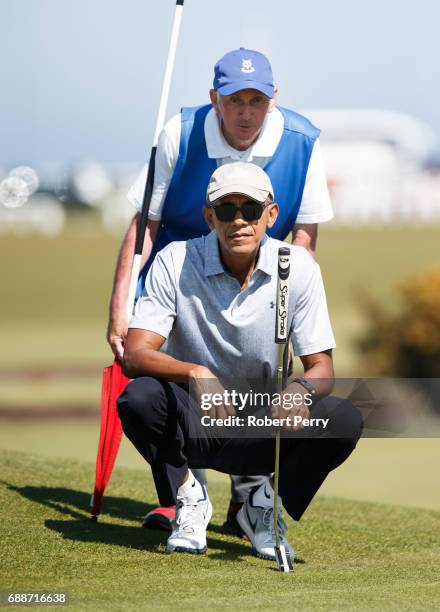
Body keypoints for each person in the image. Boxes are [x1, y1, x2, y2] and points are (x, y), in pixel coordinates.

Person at [108, 48, 334, 533]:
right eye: (235, 100)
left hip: (265, 270)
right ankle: (184, 496)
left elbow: (305, 236)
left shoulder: (303, 140)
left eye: (256, 100)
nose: (246, 112)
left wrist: (290, 307)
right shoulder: (179, 133)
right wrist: (120, 308)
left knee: (255, 381)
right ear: (215, 99)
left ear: (274, 98)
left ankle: (248, 499)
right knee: (158, 390)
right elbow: (145, 224)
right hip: (180, 270)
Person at [117, 162, 362, 560]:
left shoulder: (296, 268)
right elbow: (136, 354)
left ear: (271, 214)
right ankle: (188, 498)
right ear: (208, 216)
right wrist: (196, 373)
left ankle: (262, 504)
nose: (239, 221)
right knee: (140, 398)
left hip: (262, 426)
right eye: (226, 210)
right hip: (193, 420)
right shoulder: (175, 260)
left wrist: (300, 392)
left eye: (250, 209)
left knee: (343, 418)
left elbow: (322, 368)